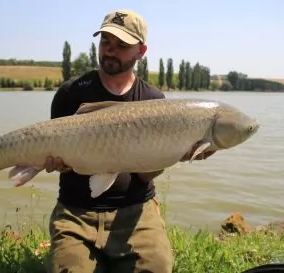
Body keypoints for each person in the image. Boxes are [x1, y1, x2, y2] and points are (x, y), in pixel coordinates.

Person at [42, 9, 215, 273]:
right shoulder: (70, 93)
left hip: (135, 211)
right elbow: (57, 158)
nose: (110, 51)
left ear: (141, 51)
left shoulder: (154, 101)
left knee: (157, 268)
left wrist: (176, 153)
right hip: (76, 212)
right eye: (105, 42)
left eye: (122, 45)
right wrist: (57, 162)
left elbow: (145, 176)